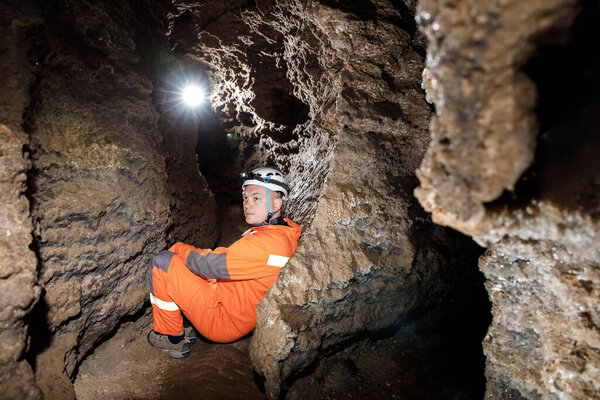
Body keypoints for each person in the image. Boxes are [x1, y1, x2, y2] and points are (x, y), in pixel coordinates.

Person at [147, 167, 301, 358]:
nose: (247, 204)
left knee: (162, 262)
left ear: (276, 204)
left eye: (256, 198)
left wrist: (178, 247)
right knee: (191, 262)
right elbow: (229, 261)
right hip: (230, 303)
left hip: (223, 319)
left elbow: (208, 266)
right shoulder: (284, 233)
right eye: (245, 198)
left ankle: (171, 338)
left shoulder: (266, 244)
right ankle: (186, 326)